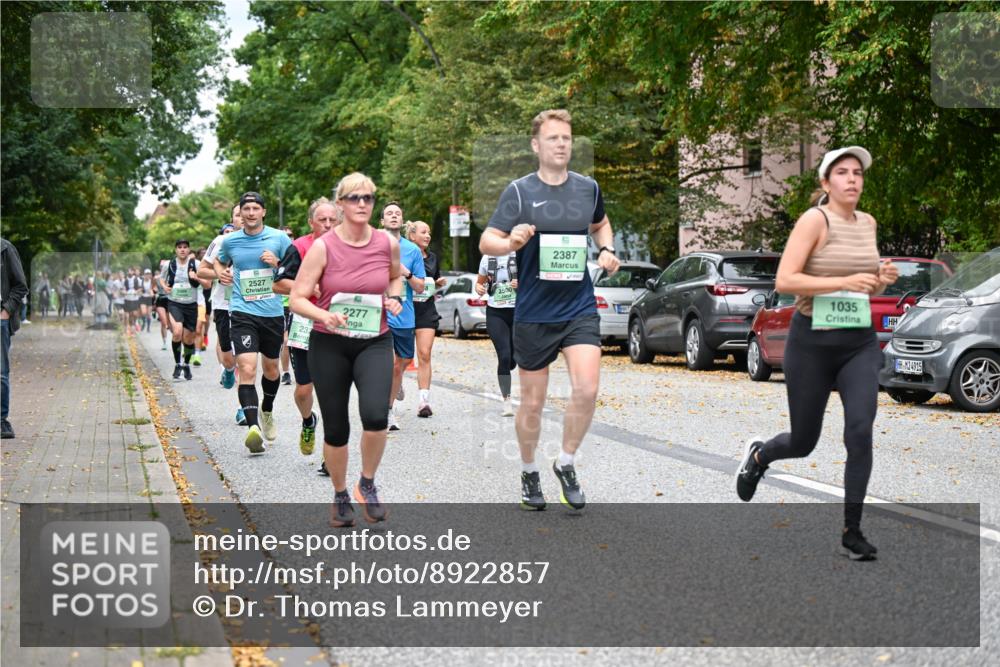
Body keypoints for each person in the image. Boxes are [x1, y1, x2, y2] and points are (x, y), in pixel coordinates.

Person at [735, 146, 898, 561]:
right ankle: (760, 455)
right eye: (842, 173)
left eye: (857, 173)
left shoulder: (868, 223)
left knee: (859, 432)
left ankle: (852, 531)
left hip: (857, 343)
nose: (852, 179)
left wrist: (880, 281)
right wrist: (846, 278)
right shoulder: (815, 220)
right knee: (804, 441)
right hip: (811, 345)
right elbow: (786, 278)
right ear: (826, 183)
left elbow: (864, 287)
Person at [479, 109, 620, 512]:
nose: (562, 144)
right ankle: (528, 471)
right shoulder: (519, 192)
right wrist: (511, 242)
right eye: (554, 138)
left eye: (567, 138)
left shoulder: (587, 188)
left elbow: (601, 224)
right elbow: (487, 240)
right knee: (533, 405)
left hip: (578, 307)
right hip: (534, 312)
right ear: (536, 145)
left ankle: (567, 461)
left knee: (588, 388)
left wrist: (607, 249)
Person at [291, 172, 403, 526]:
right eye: (353, 198)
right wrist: (325, 314)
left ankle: (367, 484)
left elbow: (396, 276)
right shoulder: (324, 246)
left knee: (375, 416)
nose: (361, 204)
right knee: (337, 428)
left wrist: (395, 296)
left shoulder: (387, 243)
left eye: (367, 198)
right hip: (329, 343)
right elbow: (296, 298)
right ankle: (340, 496)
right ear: (340, 204)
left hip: (374, 340)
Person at [214, 192, 292, 453]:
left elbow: (296, 270)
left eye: (255, 208)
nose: (250, 213)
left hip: (271, 313)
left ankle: (266, 410)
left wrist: (277, 262)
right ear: (241, 212)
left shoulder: (279, 238)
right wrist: (221, 273)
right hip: (242, 312)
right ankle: (252, 429)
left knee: (271, 370)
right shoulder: (230, 241)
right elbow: (218, 260)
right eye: (245, 208)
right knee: (247, 369)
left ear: (263, 212)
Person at [274, 198, 338, 462]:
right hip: (304, 323)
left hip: (336, 324)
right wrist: (306, 287)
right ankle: (308, 420)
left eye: (332, 220)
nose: (327, 224)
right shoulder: (298, 247)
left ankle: (330, 455)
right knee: (304, 390)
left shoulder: (352, 247)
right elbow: (278, 284)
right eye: (322, 220)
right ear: (311, 222)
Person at [379, 202, 426, 431]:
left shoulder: (412, 250)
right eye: (389, 213)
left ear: (402, 220)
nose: (394, 216)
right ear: (382, 221)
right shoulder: (370, 245)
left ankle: (393, 387)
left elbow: (420, 287)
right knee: (387, 364)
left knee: (402, 363)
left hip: (404, 315)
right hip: (378, 315)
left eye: (398, 213)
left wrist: (405, 272)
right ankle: (387, 412)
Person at [198, 206, 247, 425]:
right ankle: (227, 369)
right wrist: (220, 273)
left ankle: (244, 408)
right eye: (238, 214)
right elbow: (201, 271)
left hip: (250, 307)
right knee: (230, 358)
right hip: (224, 305)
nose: (244, 217)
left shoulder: (263, 241)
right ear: (233, 220)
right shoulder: (220, 242)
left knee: (247, 360)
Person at [406, 221, 446, 417]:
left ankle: (424, 401)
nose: (428, 235)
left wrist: (438, 284)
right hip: (405, 309)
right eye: (423, 232)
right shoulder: (403, 254)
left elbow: (430, 284)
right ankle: (396, 382)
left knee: (424, 353)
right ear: (412, 236)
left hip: (426, 310)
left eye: (429, 232)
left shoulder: (433, 258)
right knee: (401, 358)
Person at [475, 251, 519, 416]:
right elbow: (479, 284)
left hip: (518, 312)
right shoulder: (487, 258)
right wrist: (479, 288)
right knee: (505, 356)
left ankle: (510, 363)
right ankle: (507, 401)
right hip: (495, 312)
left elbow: (532, 282)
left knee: (513, 360)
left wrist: (521, 283)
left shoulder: (520, 255)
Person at [160, 239, 204, 380]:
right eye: (179, 247)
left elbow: (206, 281)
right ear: (176, 250)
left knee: (189, 339)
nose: (182, 250)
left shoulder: (196, 264)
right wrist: (164, 287)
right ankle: (178, 363)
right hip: (174, 303)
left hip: (191, 305)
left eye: (185, 247)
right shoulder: (169, 264)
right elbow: (161, 279)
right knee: (177, 332)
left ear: (189, 249)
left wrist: (196, 277)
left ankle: (186, 364)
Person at [1, 237, 29, 439]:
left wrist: (6, 311)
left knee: (0, 372)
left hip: (0, 319)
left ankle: (2, 421)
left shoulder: (5, 248)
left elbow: (21, 286)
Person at [278, 225, 296, 386]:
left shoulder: (298, 254)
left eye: (290, 235)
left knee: (294, 340)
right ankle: (285, 372)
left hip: (297, 304)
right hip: (279, 304)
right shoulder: (274, 253)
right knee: (286, 339)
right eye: (284, 235)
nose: (287, 238)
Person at [154, 260, 171, 350]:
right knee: (163, 322)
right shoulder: (156, 278)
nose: (163, 268)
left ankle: (177, 340)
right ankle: (164, 342)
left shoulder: (172, 277)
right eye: (161, 267)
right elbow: (152, 288)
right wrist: (153, 291)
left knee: (170, 324)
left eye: (164, 266)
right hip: (160, 299)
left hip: (170, 300)